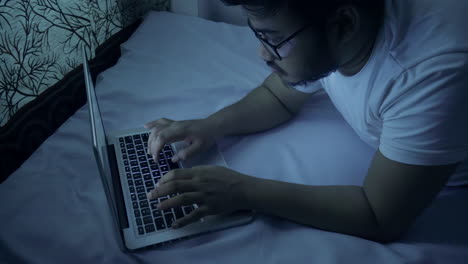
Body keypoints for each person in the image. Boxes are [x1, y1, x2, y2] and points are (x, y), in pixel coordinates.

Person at [145, 0, 468, 243]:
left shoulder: (429, 74)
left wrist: (242, 190)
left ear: (344, 25)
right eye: (258, 35)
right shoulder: (336, 25)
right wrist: (211, 125)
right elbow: (279, 96)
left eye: (274, 40)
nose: (262, 54)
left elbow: (379, 216)